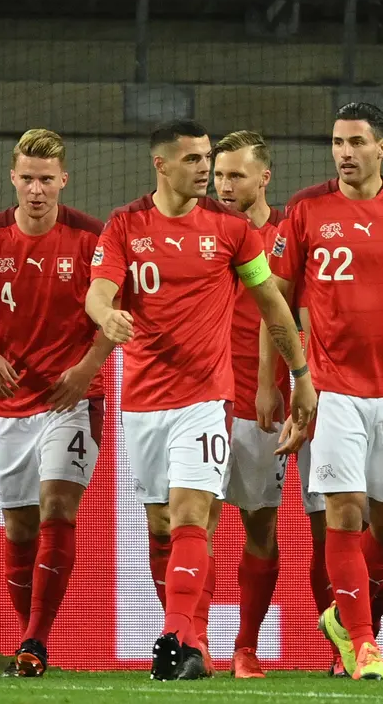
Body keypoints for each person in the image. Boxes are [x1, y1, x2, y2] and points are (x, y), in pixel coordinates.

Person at [85, 119, 313, 682]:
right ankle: (191, 638)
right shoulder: (124, 224)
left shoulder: (233, 231)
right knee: (162, 525)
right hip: (142, 400)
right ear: (160, 165)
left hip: (206, 399)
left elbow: (272, 303)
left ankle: (178, 639)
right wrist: (105, 314)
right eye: (192, 159)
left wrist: (300, 374)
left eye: (206, 157)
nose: (204, 168)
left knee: (194, 515)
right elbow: (98, 289)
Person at [265, 102, 383, 680]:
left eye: (355, 142)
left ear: (382, 148)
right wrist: (295, 377)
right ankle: (366, 643)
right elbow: (274, 292)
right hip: (333, 390)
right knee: (343, 514)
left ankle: (342, 619)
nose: (344, 152)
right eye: (337, 142)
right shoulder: (305, 209)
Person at [0, 129, 114, 677]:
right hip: (12, 403)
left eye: (47, 179)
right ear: (13, 178)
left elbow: (116, 310)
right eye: (28, 178)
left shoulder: (91, 237)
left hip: (73, 400)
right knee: (19, 530)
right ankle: (27, 643)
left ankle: (36, 640)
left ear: (64, 179)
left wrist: (86, 369)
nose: (37, 190)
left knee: (59, 510)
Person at [211, 130, 324, 679]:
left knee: (299, 524)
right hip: (214, 400)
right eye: (219, 174)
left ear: (264, 178)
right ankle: (206, 643)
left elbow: (301, 314)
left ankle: (259, 646)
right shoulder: (203, 232)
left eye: (236, 174)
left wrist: (285, 382)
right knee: (206, 524)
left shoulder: (288, 234)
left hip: (283, 400)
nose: (225, 185)